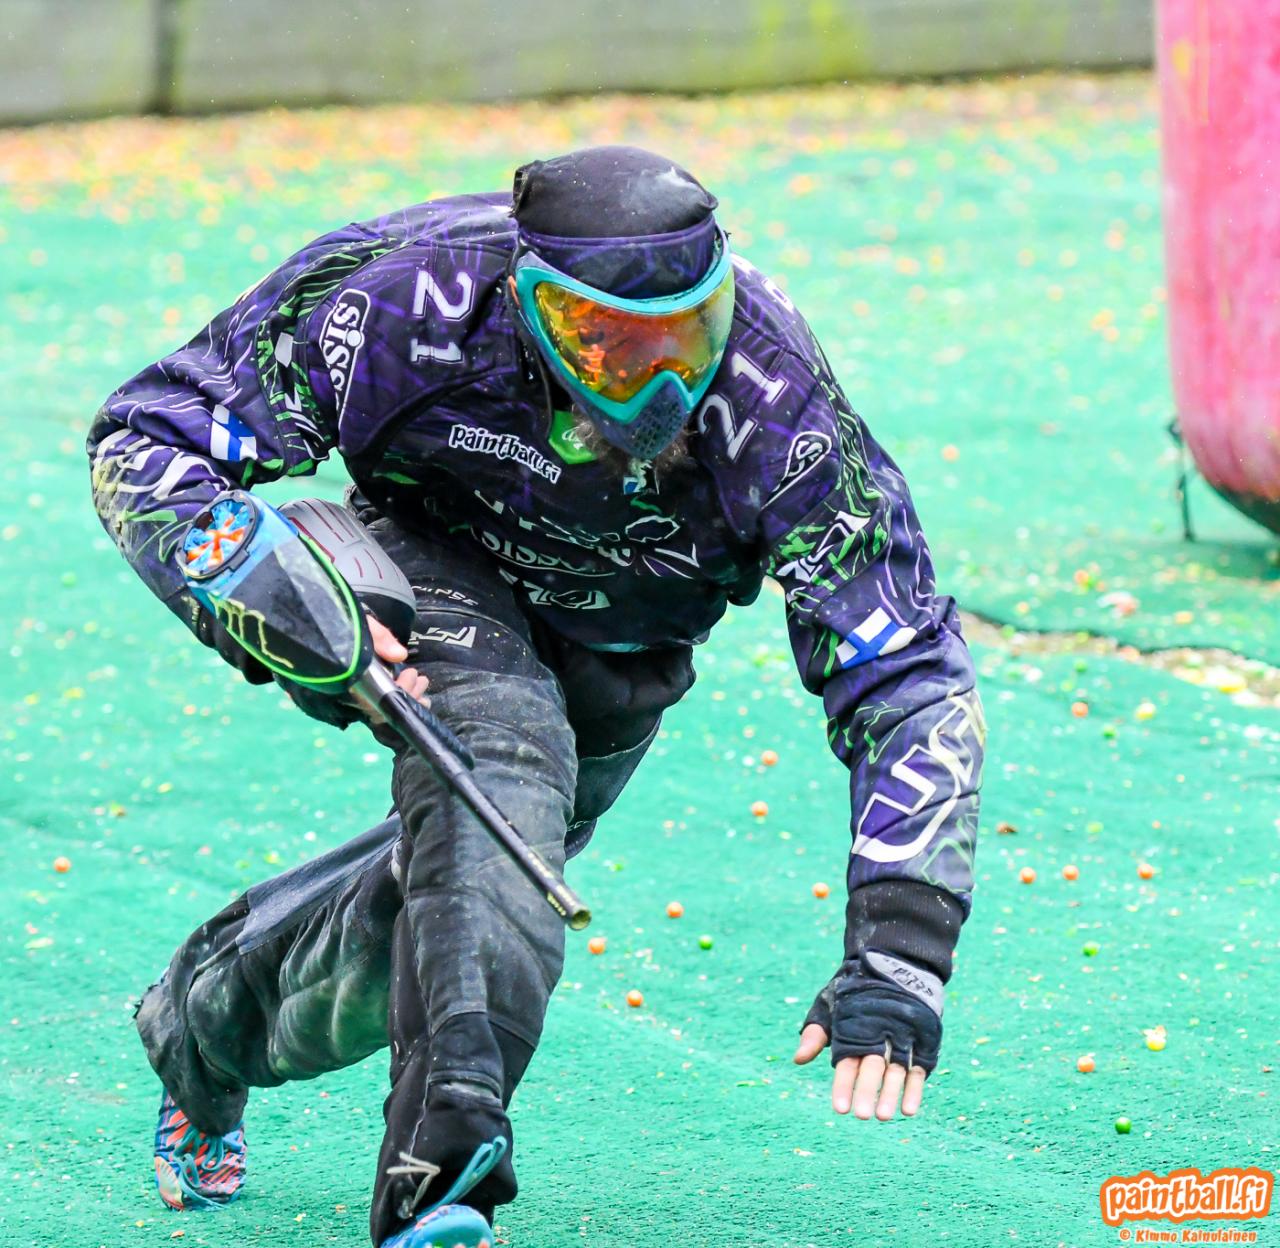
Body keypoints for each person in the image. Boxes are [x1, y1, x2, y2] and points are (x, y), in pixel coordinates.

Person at [87, 145, 984, 1248]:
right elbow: (149, 436)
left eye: (684, 338)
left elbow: (903, 667)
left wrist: (897, 952)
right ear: (529, 303)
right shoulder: (403, 296)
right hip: (431, 574)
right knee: (501, 770)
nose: (655, 386)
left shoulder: (772, 389)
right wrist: (252, 584)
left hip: (628, 650)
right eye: (606, 341)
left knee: (448, 894)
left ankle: (201, 1023)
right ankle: (444, 1168)